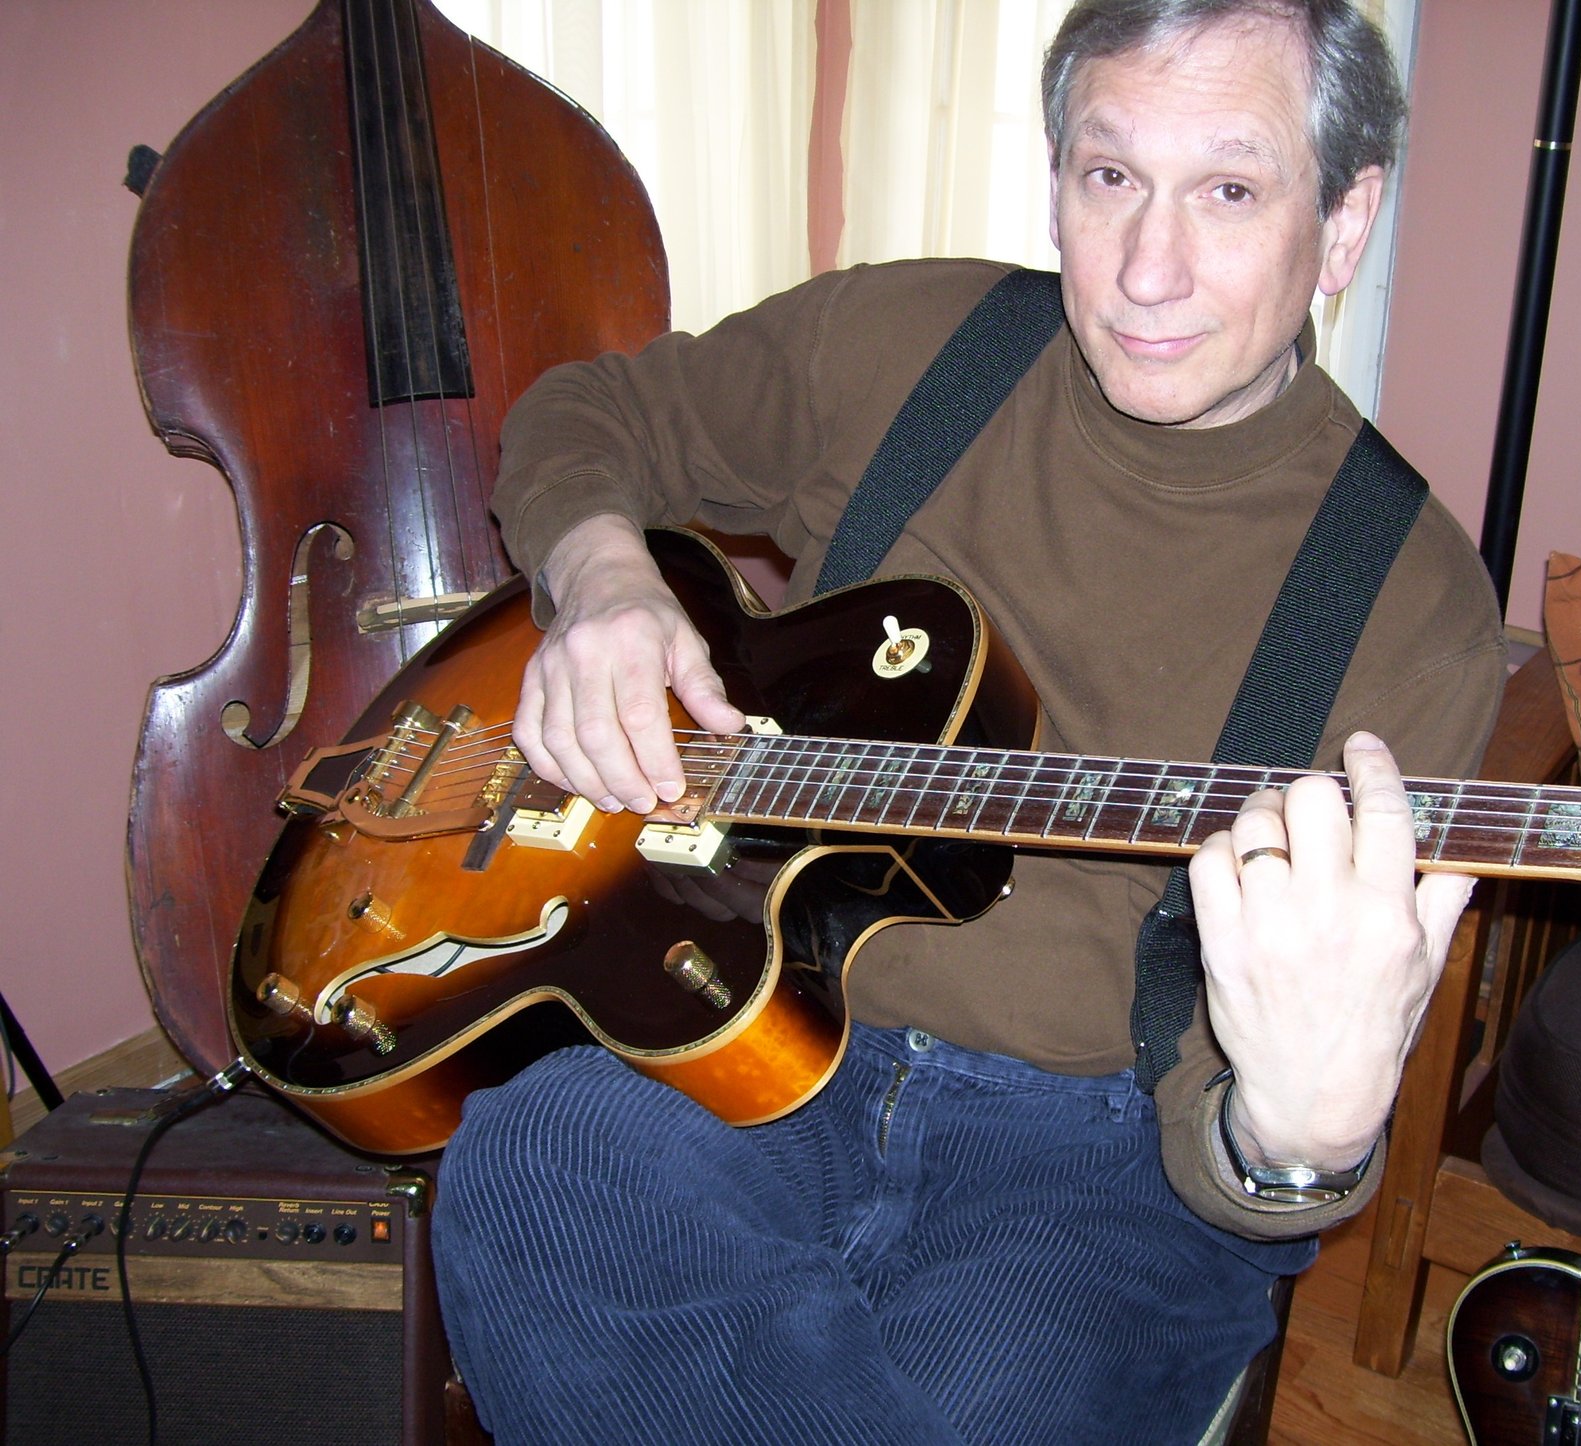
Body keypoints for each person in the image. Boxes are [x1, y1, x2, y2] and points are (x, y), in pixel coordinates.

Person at [432, 1, 1506, 1441]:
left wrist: (1292, 1136)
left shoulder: (1407, 597)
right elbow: (592, 413)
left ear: (1346, 221)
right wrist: (605, 578)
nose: (1147, 266)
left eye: (1231, 192)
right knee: (533, 1149)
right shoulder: (909, 342)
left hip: (1099, 1157)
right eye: (1108, 176)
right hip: (762, 1026)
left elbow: (1242, 1143)